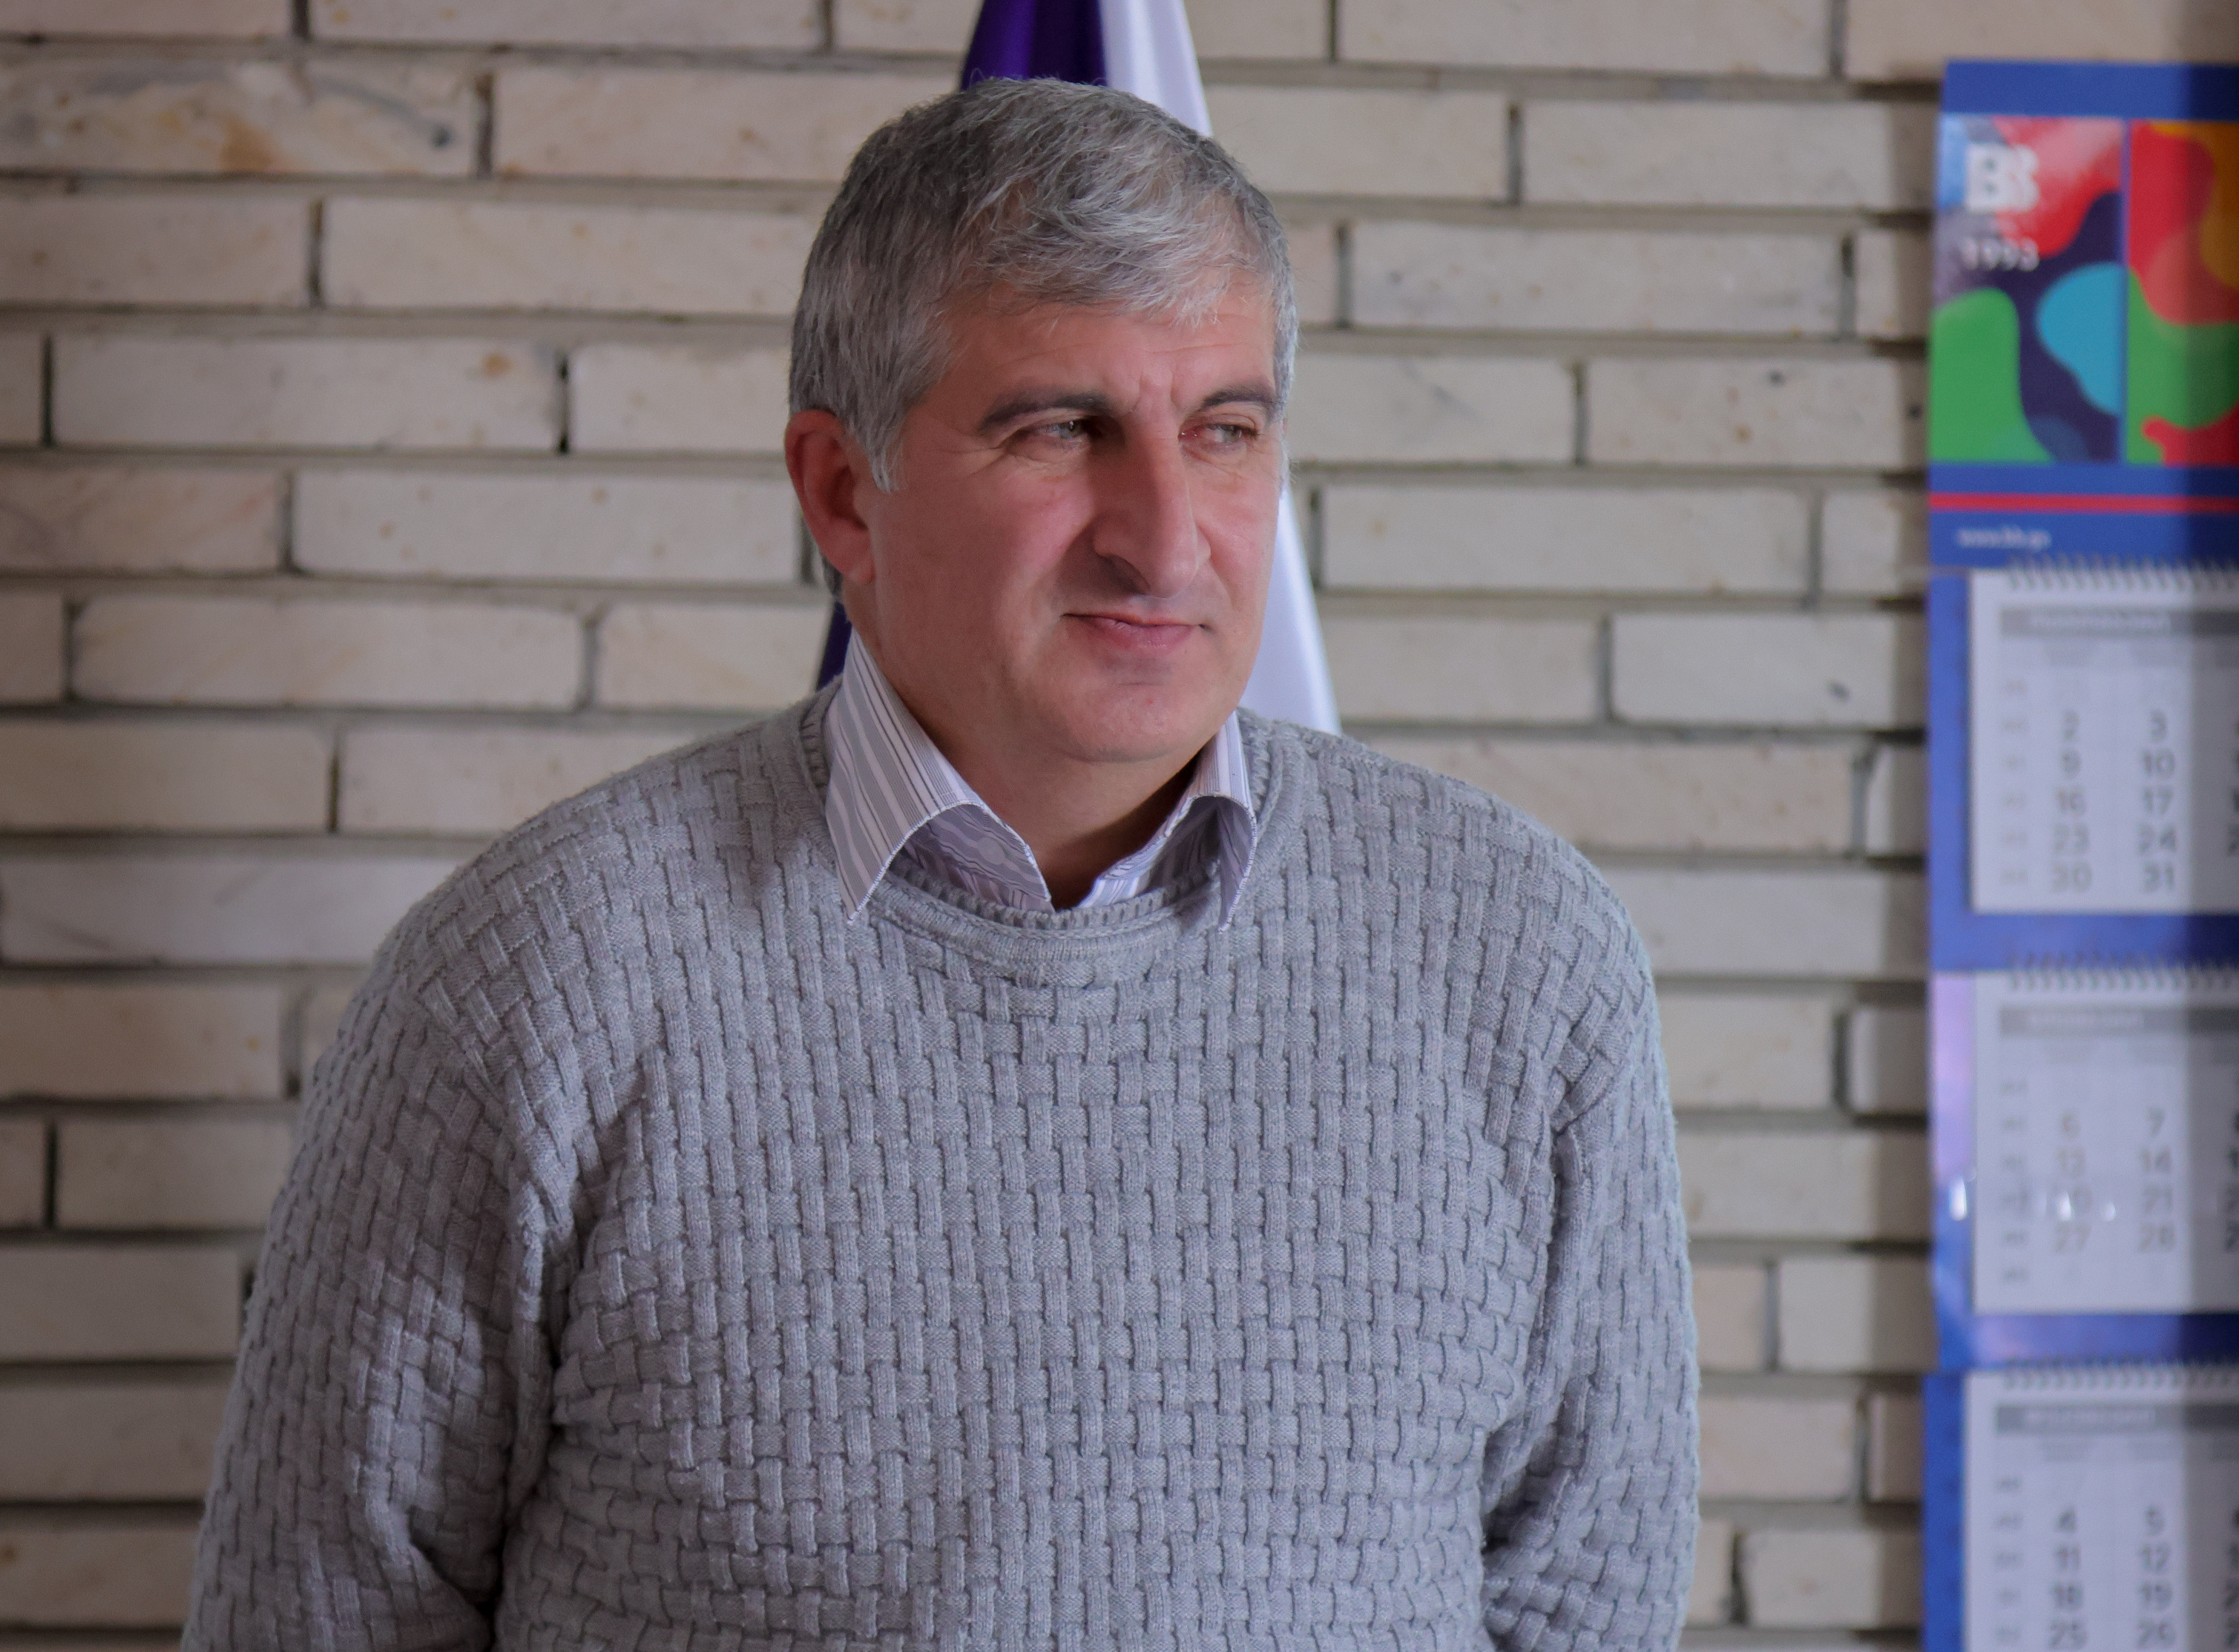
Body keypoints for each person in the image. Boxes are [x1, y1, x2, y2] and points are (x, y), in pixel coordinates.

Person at [187, 79, 1697, 1649]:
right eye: (1061, 429)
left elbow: (1582, 1610)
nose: (1165, 538)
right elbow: (311, 1620)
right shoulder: (530, 982)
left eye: (1223, 431)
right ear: (843, 491)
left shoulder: (1522, 962)